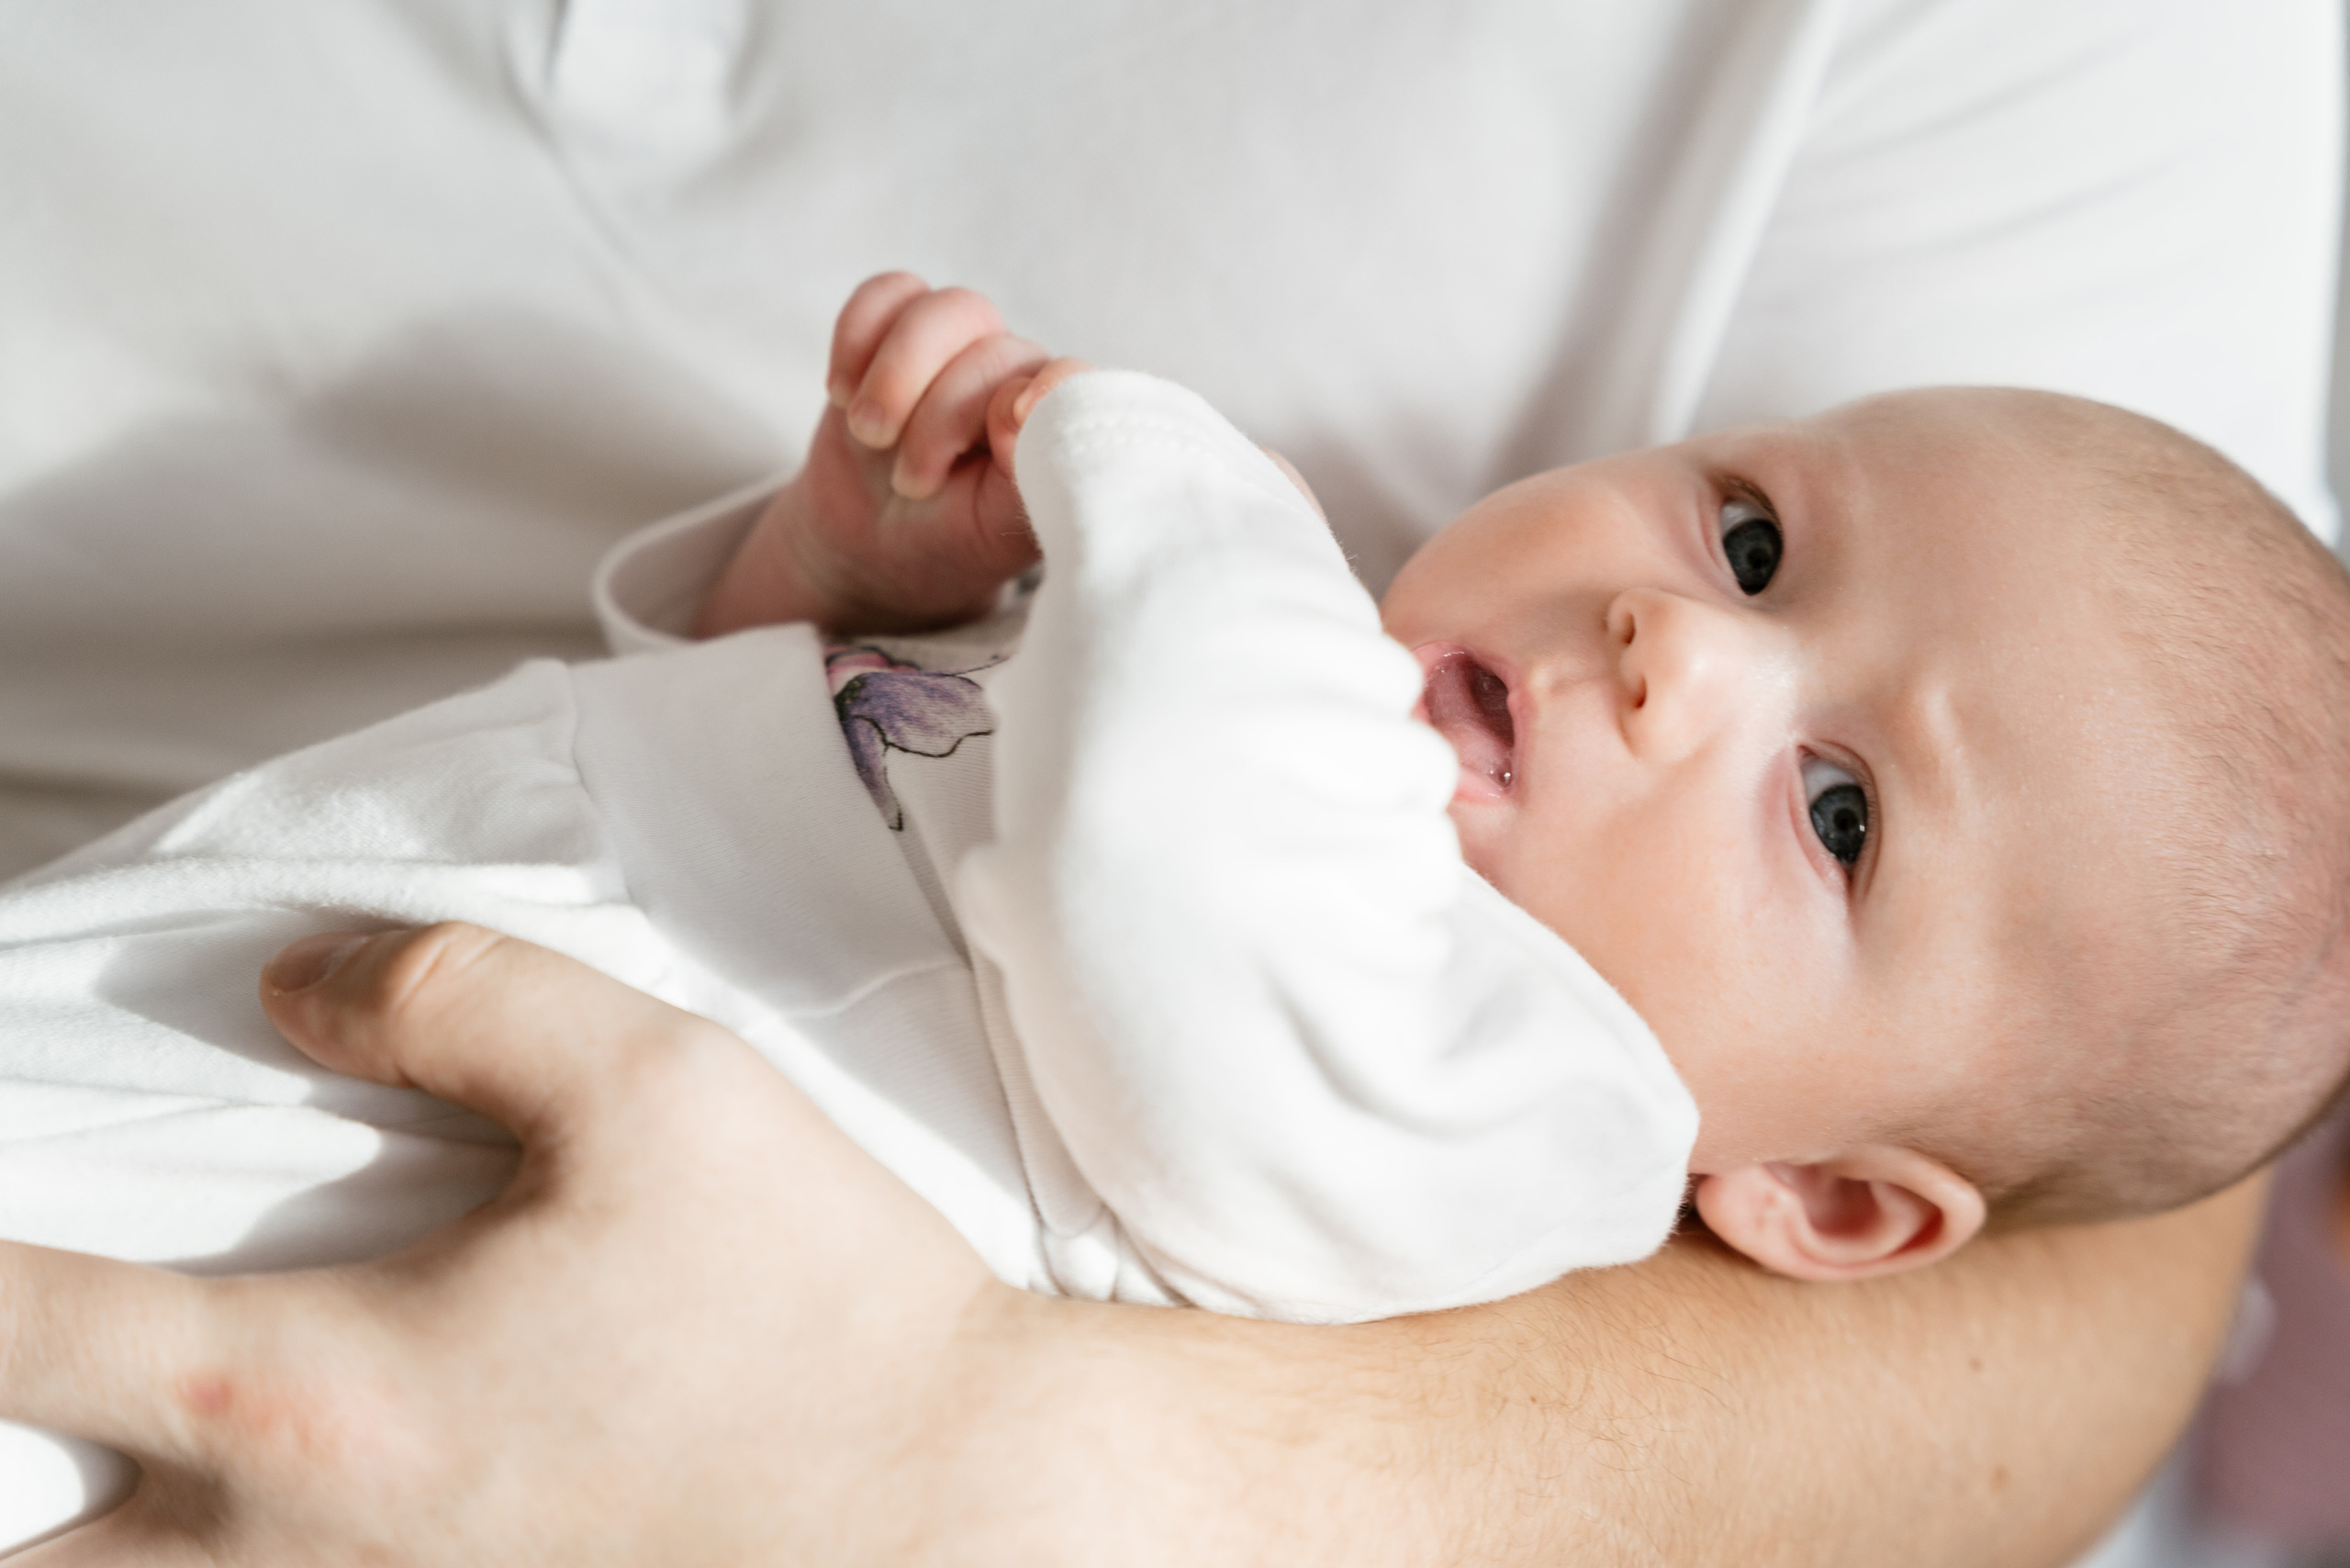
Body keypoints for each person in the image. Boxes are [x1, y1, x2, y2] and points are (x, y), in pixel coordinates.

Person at [0, 1, 2334, 1560]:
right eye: (1746, 534)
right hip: (219, 939)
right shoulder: (1278, 726)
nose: (1678, 638)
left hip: (328, 1241)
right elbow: (749, 767)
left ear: (1823, 1206)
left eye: (1833, 812)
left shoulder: (1516, 1104)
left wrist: (1151, 462)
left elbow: (1141, 874)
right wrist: (826, 579)